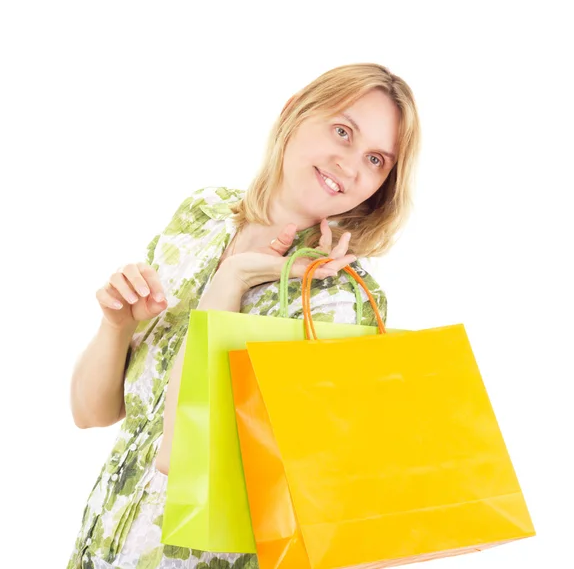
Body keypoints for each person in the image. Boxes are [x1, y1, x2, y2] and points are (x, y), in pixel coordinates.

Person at [67, 62, 422, 568]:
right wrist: (116, 325)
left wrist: (231, 282)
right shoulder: (203, 215)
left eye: (376, 159)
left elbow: (182, 456)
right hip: (98, 549)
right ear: (293, 110)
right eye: (342, 131)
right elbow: (91, 414)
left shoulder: (336, 302)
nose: (350, 165)